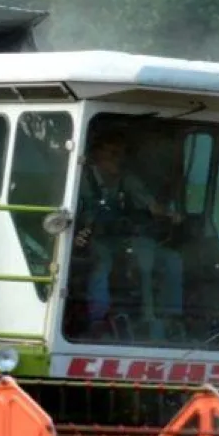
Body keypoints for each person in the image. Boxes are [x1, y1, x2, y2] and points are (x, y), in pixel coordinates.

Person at [73, 129, 184, 339]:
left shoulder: (127, 180)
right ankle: (98, 320)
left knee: (172, 259)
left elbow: (151, 206)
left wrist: (171, 214)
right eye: (113, 153)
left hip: (125, 240)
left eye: (122, 154)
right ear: (97, 154)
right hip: (93, 241)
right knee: (101, 263)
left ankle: (171, 318)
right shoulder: (80, 180)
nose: (119, 159)